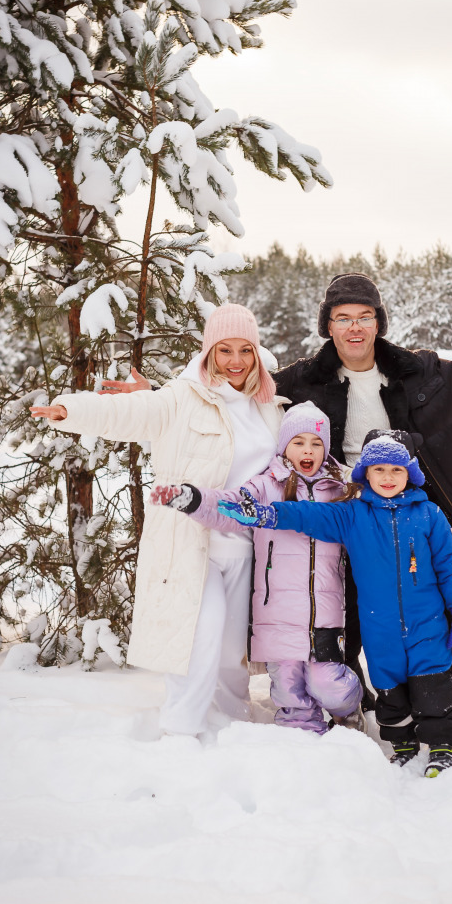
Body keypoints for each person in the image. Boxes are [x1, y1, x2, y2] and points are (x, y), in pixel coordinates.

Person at [99, 272, 452, 717]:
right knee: (342, 617)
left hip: (414, 515)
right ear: (328, 327)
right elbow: (234, 383)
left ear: (378, 322)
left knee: (443, 612)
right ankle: (359, 709)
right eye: (343, 317)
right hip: (340, 514)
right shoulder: (302, 382)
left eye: (364, 316)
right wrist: (160, 398)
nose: (354, 327)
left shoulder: (426, 374)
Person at [29, 304, 286, 737]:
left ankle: (232, 723)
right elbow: (130, 413)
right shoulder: (181, 397)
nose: (236, 361)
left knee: (228, 648)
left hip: (244, 544)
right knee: (199, 635)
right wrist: (69, 411)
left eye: (246, 350)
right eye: (225, 350)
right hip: (189, 538)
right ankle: (181, 729)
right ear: (208, 352)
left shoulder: (268, 406)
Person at [218, 432, 452, 777]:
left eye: (397, 470)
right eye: (379, 469)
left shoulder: (429, 514)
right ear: (365, 475)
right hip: (379, 627)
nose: (388, 477)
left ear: (409, 475)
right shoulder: (352, 515)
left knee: (433, 683)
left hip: (426, 622)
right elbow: (308, 515)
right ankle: (402, 745)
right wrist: (267, 514)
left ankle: (442, 745)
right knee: (389, 686)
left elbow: (448, 566)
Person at [150, 401, 363, 735]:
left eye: (316, 443)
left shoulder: (341, 489)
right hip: (275, 612)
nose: (307, 451)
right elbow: (229, 506)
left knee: (328, 682)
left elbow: (378, 523)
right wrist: (191, 499)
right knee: (290, 690)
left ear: (326, 448)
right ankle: (304, 741)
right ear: (284, 445)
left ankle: (350, 712)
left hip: (324, 613)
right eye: (299, 442)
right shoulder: (264, 486)